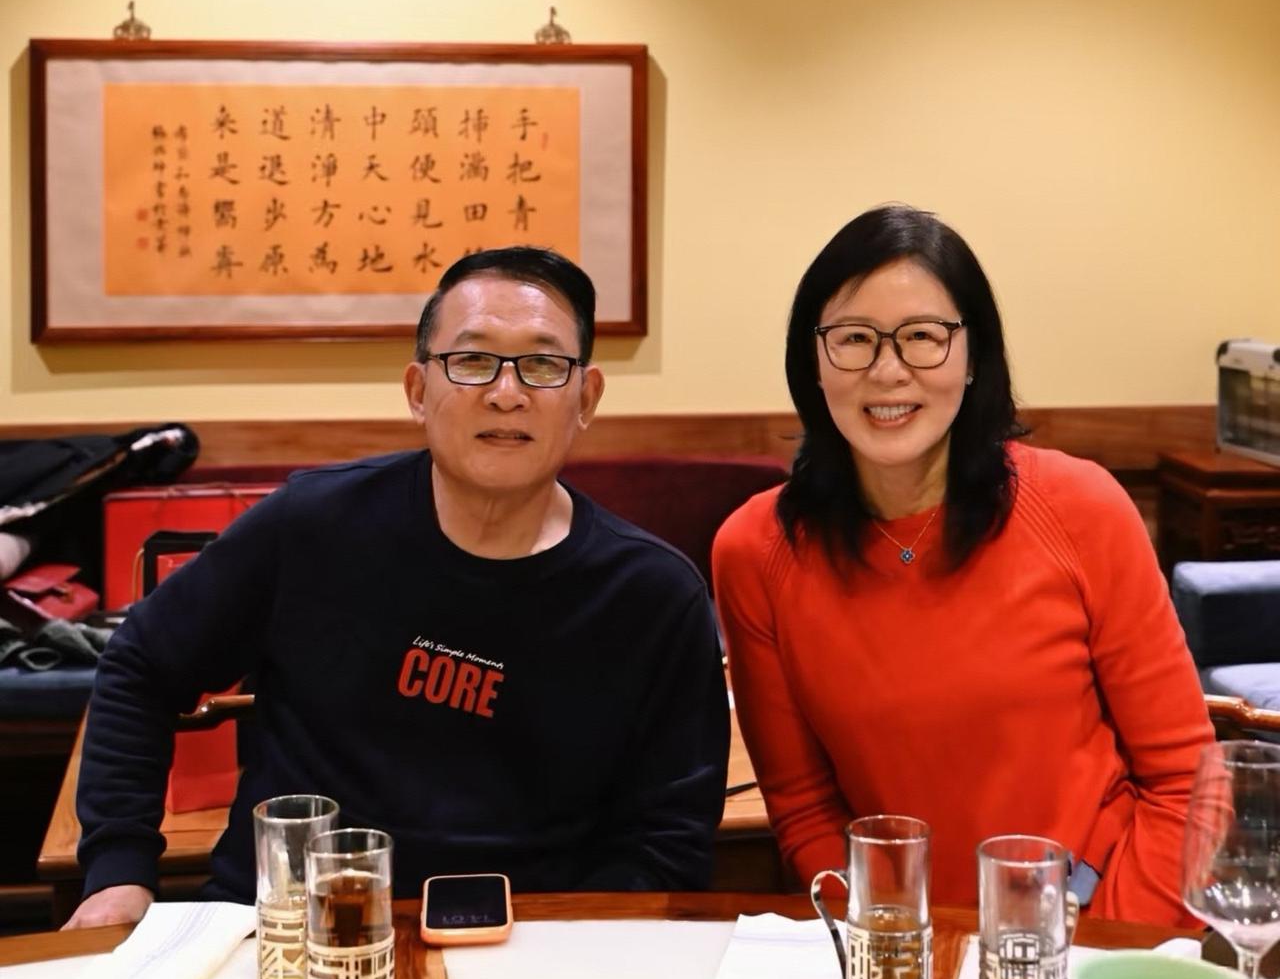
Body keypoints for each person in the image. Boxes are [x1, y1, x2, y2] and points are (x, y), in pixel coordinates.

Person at [68, 246, 729, 927]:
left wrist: (571, 945)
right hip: (292, 928)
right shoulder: (311, 525)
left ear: (585, 399)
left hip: (530, 939)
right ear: (418, 390)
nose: (507, 392)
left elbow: (667, 838)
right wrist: (118, 873)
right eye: (472, 360)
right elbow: (140, 664)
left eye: (542, 364)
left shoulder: (652, 596)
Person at [712, 205, 1211, 927]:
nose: (888, 371)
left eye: (923, 336)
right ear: (812, 362)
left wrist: (1096, 951)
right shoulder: (755, 551)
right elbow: (804, 807)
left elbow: (1184, 782)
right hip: (898, 944)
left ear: (973, 357)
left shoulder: (1082, 507)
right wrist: (890, 945)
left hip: (1091, 922)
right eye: (854, 339)